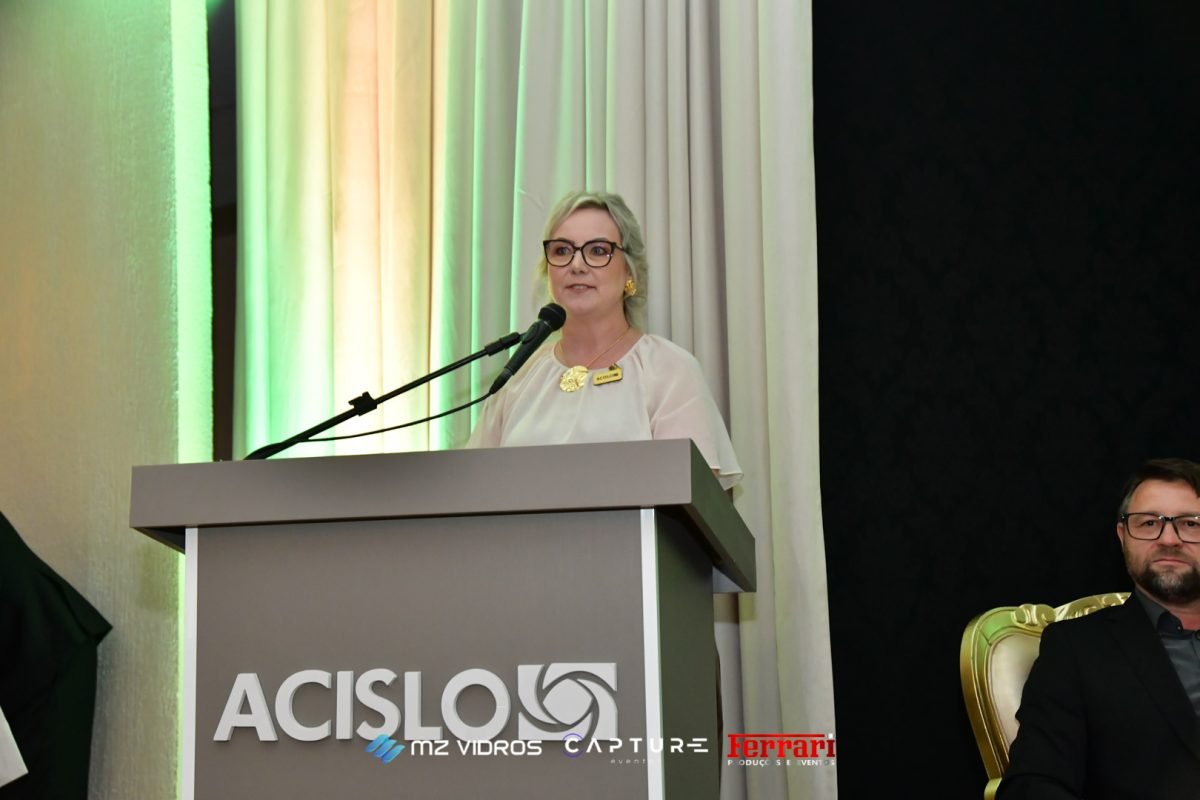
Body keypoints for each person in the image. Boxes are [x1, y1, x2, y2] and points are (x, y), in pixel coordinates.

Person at [466, 190, 742, 490]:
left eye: (598, 250)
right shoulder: (520, 374)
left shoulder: (669, 370)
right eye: (562, 250)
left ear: (629, 272)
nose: (576, 265)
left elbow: (692, 499)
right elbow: (471, 489)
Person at [999, 458, 1200, 800]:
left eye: (1190, 524)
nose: (1169, 538)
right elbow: (1032, 785)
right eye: (1149, 523)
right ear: (1123, 536)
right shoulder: (1074, 650)